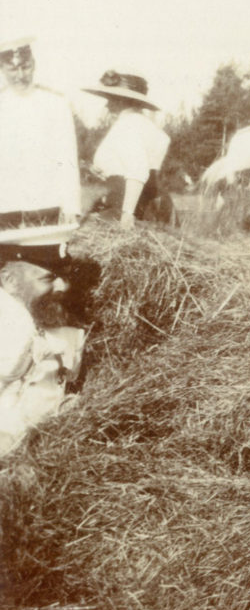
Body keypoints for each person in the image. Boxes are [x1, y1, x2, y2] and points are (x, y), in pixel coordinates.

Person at [0, 223, 85, 457]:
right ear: (10, 281)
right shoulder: (10, 332)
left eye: (63, 276)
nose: (63, 286)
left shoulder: (42, 316)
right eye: (48, 278)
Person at [0, 35, 80, 228]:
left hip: (45, 204)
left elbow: (67, 157)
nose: (20, 75)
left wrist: (72, 206)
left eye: (25, 67)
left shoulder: (56, 104)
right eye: (12, 68)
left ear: (34, 65)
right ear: (2, 69)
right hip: (4, 205)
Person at [84, 71, 171, 228]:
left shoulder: (128, 125)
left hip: (126, 203)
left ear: (123, 100)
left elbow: (138, 168)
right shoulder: (144, 124)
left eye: (111, 99)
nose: (107, 104)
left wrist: (127, 213)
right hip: (149, 199)